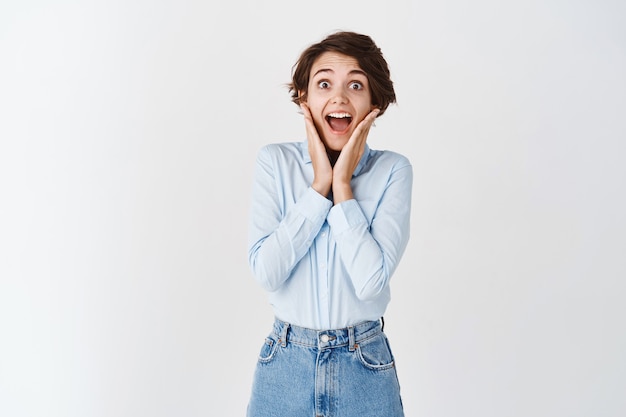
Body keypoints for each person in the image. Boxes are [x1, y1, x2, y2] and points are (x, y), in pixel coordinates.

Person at [246, 31, 412, 417]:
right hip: (285, 365)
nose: (339, 97)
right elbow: (267, 273)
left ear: (375, 103)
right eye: (324, 84)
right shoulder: (275, 163)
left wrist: (342, 186)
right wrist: (319, 186)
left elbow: (371, 283)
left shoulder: (392, 171)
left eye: (356, 85)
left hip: (364, 366)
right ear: (304, 98)